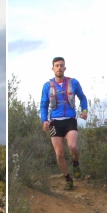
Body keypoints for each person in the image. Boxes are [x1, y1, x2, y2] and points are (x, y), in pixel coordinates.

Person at [40, 57, 88, 190]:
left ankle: (75, 162)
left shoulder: (73, 82)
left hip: (70, 120)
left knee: (72, 146)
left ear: (65, 68)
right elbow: (43, 105)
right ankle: (68, 178)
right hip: (55, 122)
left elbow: (83, 98)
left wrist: (84, 111)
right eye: (57, 65)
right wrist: (44, 120)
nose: (59, 68)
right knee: (59, 153)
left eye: (61, 65)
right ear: (53, 68)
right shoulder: (47, 86)